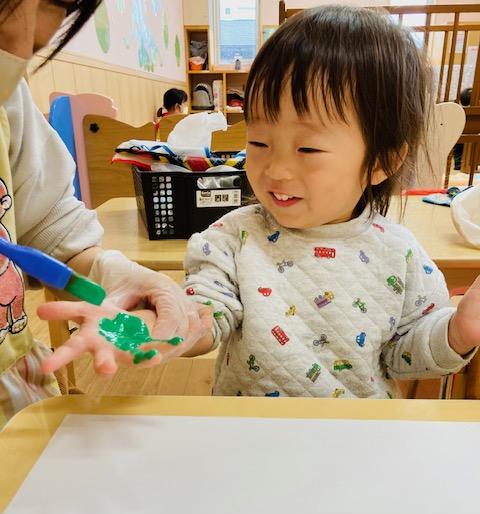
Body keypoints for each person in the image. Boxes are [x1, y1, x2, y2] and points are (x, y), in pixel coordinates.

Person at [156, 5, 480, 398]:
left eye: (307, 148)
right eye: (258, 142)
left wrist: (456, 332)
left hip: (355, 431)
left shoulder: (400, 254)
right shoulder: (233, 236)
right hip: (249, 427)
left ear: (381, 161)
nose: (276, 169)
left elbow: (404, 355)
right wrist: (172, 322)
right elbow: (207, 308)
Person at [0, 0, 208, 425]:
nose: (22, 43)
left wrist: (105, 270)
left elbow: (49, 225)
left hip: (21, 411)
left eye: (59, 3)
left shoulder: (9, 98)